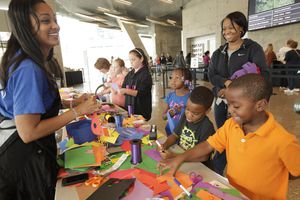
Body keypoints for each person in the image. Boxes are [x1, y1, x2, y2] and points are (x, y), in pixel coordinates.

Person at [0, 0, 100, 199]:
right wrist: (77, 112)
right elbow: (28, 132)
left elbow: (32, 106)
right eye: (46, 21)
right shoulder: (28, 68)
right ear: (25, 26)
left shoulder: (22, 59)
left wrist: (73, 103)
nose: (56, 26)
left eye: (55, 19)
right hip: (23, 160)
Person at [159, 74, 300, 199]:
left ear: (260, 105)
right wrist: (179, 158)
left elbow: (296, 172)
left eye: (236, 106)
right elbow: (208, 145)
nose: (230, 110)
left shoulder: (282, 140)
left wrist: (272, 173)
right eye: (229, 104)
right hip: (233, 193)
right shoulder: (231, 125)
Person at [208, 11, 270, 175]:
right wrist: (226, 83)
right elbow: (211, 74)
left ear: (241, 28)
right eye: (224, 28)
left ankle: (245, 174)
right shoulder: (218, 52)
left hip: (245, 105)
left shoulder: (252, 49)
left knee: (244, 138)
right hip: (222, 103)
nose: (226, 31)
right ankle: (217, 172)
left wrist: (234, 88)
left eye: (231, 27)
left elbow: (262, 74)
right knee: (223, 136)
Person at [159, 86, 215, 168]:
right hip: (181, 159)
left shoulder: (207, 128)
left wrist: (175, 156)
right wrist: (165, 145)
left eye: (195, 113)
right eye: (187, 109)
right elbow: (175, 135)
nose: (189, 115)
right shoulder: (184, 116)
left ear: (207, 111)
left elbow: (204, 157)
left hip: (198, 166)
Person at [120, 48, 152, 120]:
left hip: (141, 109)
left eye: (133, 59)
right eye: (130, 60)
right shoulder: (130, 73)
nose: (131, 62)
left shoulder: (145, 74)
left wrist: (126, 90)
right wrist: (123, 90)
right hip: (130, 107)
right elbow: (123, 87)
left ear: (141, 59)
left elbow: (142, 93)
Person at [163, 68, 192, 136]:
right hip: (170, 129)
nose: (173, 80)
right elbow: (163, 117)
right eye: (172, 77)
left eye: (177, 77)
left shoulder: (190, 97)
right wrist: (170, 113)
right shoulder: (170, 95)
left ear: (186, 81)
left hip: (184, 133)